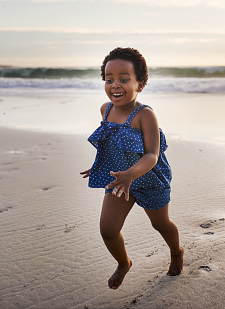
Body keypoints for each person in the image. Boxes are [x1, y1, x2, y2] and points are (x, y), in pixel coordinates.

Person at [80, 47, 183, 290]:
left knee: (161, 224)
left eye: (124, 79)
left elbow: (152, 155)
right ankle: (123, 262)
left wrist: (131, 175)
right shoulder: (105, 110)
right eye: (109, 79)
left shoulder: (145, 115)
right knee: (108, 230)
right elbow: (110, 143)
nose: (115, 85)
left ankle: (176, 251)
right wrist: (98, 167)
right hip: (119, 179)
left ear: (141, 84)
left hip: (149, 179)